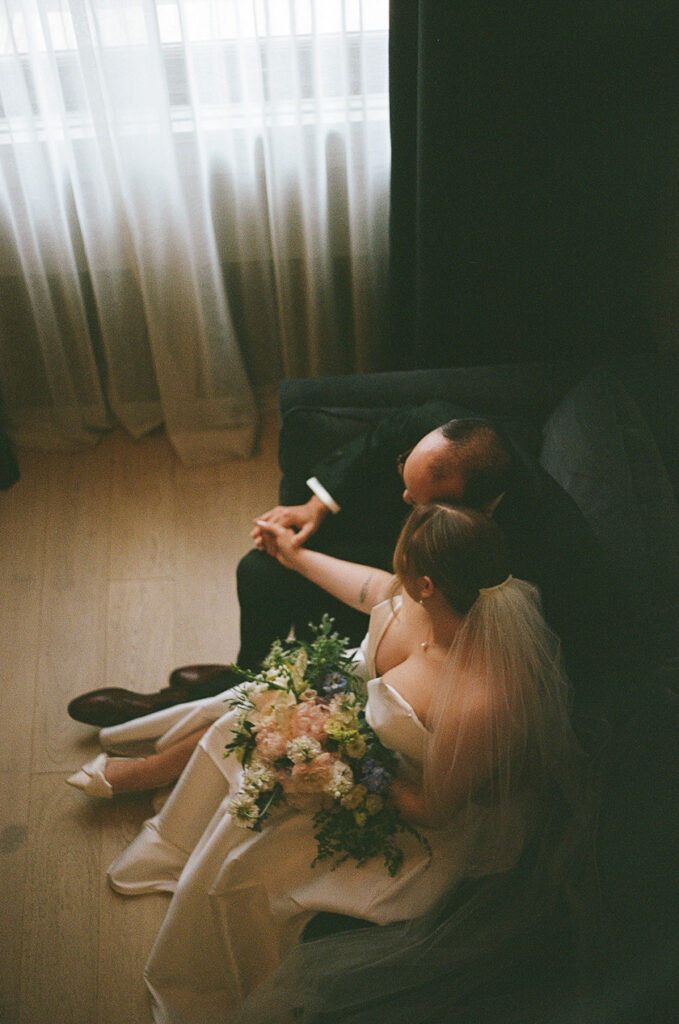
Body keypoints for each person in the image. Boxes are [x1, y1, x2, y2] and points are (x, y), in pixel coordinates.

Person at [66, 504, 589, 1024]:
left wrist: (338, 766)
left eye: (405, 565)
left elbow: (436, 810)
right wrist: (295, 557)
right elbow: (370, 588)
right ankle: (174, 821)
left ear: (428, 584)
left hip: (404, 808)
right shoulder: (426, 600)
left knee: (250, 853)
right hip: (348, 728)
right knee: (243, 721)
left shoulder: (483, 700)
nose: (397, 576)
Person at [67, 410, 613, 727]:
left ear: (470, 513)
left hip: (428, 623)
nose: (403, 493)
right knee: (259, 570)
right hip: (395, 566)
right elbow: (383, 436)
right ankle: (244, 674)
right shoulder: (445, 432)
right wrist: (315, 507)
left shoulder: (542, 547)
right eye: (407, 477)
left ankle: (182, 710)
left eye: (417, 499)